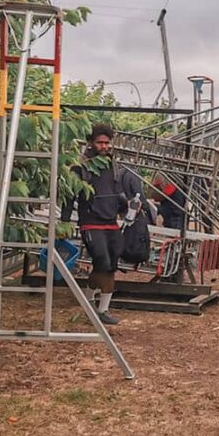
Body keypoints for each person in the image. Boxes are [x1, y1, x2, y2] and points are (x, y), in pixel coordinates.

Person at [61, 123, 147, 325]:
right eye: (100, 143)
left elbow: (118, 194)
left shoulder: (113, 167)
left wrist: (129, 206)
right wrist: (63, 224)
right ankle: (89, 301)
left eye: (107, 143)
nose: (104, 146)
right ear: (91, 143)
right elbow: (69, 196)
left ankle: (101, 308)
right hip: (90, 223)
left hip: (111, 222)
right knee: (102, 261)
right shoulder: (80, 168)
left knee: (111, 265)